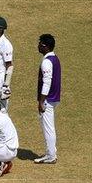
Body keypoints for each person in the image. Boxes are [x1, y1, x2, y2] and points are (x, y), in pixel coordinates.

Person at [34, 34, 61, 164]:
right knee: (49, 127)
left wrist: (41, 101)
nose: (38, 46)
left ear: (45, 46)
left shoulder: (46, 62)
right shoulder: (55, 58)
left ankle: (51, 155)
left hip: (47, 100)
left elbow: (47, 82)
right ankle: (51, 153)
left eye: (40, 44)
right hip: (54, 98)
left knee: (48, 128)